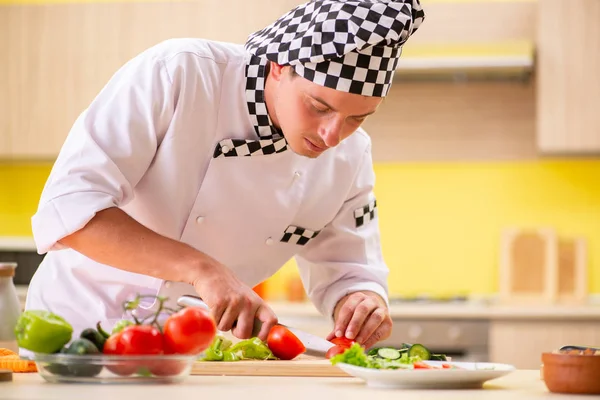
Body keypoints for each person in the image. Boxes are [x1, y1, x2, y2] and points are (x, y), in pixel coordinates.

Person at [25, 0, 425, 351]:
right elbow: (71, 210)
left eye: (357, 118)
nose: (332, 136)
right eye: (319, 107)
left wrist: (361, 299)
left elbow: (350, 269)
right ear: (277, 67)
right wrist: (204, 270)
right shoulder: (179, 73)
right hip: (75, 330)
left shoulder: (351, 156)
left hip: (194, 350)